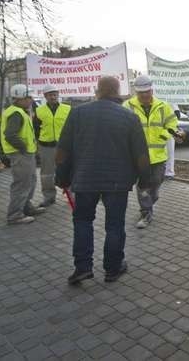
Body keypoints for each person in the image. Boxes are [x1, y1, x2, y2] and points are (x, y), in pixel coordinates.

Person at [56, 76, 150, 284]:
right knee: (115, 225)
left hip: (84, 179)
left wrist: (61, 177)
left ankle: (82, 267)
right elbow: (141, 154)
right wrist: (145, 181)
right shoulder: (129, 117)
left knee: (82, 221)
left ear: (97, 90)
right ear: (117, 92)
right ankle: (113, 268)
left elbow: (63, 149)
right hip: (117, 182)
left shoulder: (78, 113)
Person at [123, 75, 181, 229]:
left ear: (151, 90)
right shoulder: (127, 106)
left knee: (156, 181)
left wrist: (164, 136)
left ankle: (151, 198)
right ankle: (146, 213)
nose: (144, 95)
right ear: (136, 92)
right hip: (138, 156)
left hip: (158, 154)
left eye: (146, 92)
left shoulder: (163, 106)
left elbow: (172, 124)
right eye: (140, 93)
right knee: (142, 185)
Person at [0, 84, 45, 224]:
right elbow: (10, 135)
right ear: (19, 99)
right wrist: (24, 147)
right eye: (28, 97)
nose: (31, 100)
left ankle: (26, 207)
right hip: (20, 154)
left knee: (30, 181)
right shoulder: (16, 113)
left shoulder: (20, 111)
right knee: (22, 184)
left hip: (26, 153)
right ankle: (15, 215)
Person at [34, 84, 71, 207]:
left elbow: (72, 127)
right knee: (47, 173)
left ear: (58, 95)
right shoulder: (39, 110)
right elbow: (36, 129)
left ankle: (71, 195)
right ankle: (49, 197)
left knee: (68, 170)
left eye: (55, 94)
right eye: (50, 95)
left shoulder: (67, 108)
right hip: (46, 146)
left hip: (64, 146)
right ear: (45, 96)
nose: (53, 96)